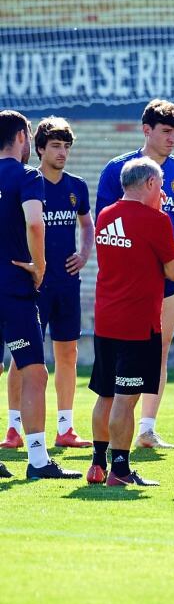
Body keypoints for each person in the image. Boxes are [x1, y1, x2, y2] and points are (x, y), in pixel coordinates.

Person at [96, 99, 174, 450]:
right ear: (147, 130)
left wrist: (166, 254)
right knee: (126, 349)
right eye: (166, 132)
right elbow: (106, 219)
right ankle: (114, 431)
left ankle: (147, 428)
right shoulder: (117, 169)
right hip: (131, 278)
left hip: (169, 271)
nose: (172, 139)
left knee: (160, 347)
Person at [87, 158, 174, 487]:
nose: (162, 194)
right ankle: (120, 470)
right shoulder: (155, 221)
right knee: (126, 400)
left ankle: (97, 464)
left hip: (105, 319)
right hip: (137, 323)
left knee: (105, 395)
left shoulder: (106, 215)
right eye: (160, 186)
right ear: (148, 185)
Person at [3, 118, 94, 450]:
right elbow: (31, 226)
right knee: (23, 357)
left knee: (68, 353)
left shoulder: (77, 186)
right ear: (38, 147)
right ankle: (14, 428)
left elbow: (87, 224)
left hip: (66, 283)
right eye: (55, 145)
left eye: (67, 146)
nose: (62, 152)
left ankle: (65, 427)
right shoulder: (28, 182)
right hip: (31, 284)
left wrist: (84, 253)